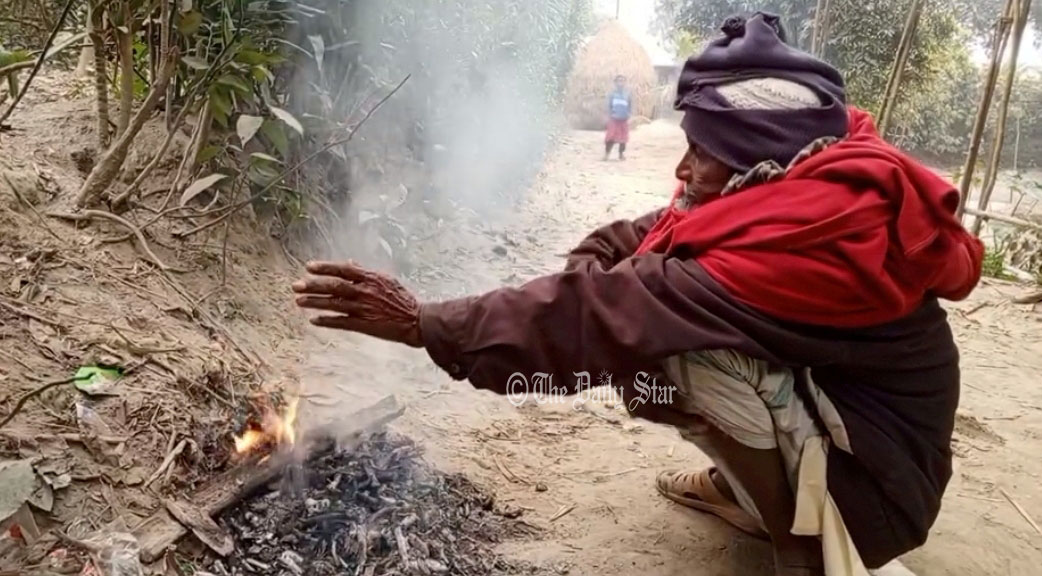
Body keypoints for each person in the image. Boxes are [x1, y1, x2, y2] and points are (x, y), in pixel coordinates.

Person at [292, 13, 983, 576]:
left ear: (762, 166)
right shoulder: (803, 192)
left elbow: (605, 311)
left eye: (703, 152)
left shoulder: (797, 249)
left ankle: (798, 544)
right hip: (848, 427)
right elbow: (651, 232)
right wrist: (591, 262)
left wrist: (423, 323)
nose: (683, 167)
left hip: (877, 484)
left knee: (673, 355)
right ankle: (749, 487)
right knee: (656, 344)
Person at [605, 74, 632, 161]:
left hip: (624, 119)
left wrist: (629, 115)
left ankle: (621, 154)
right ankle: (607, 154)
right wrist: (610, 115)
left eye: (623, 81)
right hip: (614, 119)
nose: (621, 83)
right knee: (610, 137)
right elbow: (609, 106)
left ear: (625, 83)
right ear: (615, 82)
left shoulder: (627, 94)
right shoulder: (612, 94)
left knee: (623, 139)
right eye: (619, 81)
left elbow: (630, 106)